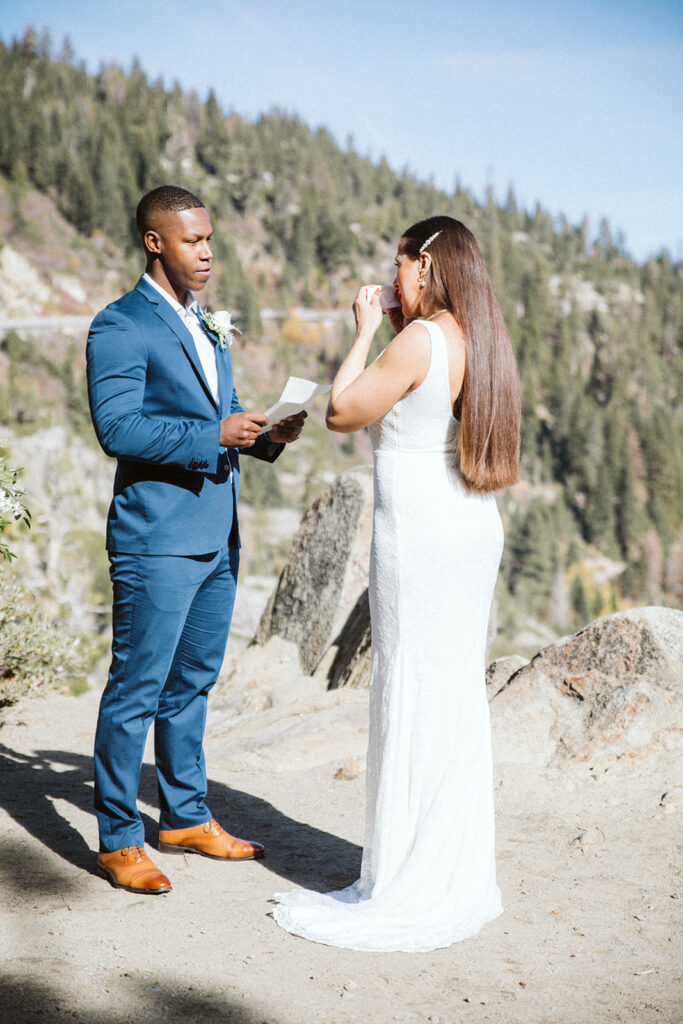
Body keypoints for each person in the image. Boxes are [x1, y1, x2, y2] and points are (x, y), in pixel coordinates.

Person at [273, 215, 520, 951]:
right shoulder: (483, 340)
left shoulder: (418, 339)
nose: (392, 278)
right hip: (469, 525)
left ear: (425, 263)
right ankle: (449, 863)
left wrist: (359, 329)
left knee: (410, 681)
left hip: (421, 534)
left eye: (398, 264)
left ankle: (407, 872)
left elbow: (341, 413)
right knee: (448, 688)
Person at [87, 185, 305, 895]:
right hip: (155, 537)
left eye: (209, 238)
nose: (207, 251)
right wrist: (212, 434)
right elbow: (117, 429)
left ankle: (183, 815)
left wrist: (264, 432)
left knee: (192, 684)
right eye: (192, 240)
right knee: (137, 688)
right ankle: (119, 838)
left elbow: (218, 413)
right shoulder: (120, 325)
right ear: (155, 242)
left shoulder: (204, 322)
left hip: (217, 531)